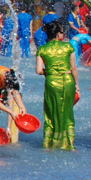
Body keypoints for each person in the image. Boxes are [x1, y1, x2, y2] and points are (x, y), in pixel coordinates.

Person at [36, 21, 78, 150]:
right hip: (68, 81)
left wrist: (50, 73)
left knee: (50, 112)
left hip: (51, 82)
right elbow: (74, 68)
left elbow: (38, 70)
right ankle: (69, 144)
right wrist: (77, 86)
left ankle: (49, 144)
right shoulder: (68, 47)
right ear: (59, 34)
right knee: (68, 112)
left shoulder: (42, 49)